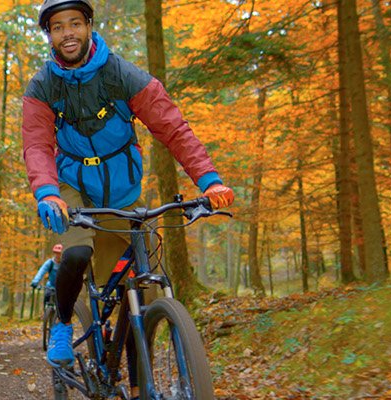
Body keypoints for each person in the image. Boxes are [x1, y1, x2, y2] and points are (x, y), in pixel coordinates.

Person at [19, 0, 236, 368]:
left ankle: (140, 384)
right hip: (73, 187)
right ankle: (63, 324)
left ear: (89, 26)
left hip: (124, 193)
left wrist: (209, 181)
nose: (67, 33)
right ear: (50, 36)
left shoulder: (123, 75)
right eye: (57, 27)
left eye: (74, 23)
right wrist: (48, 192)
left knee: (146, 290)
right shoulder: (43, 85)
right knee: (75, 253)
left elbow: (172, 127)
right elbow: (37, 144)